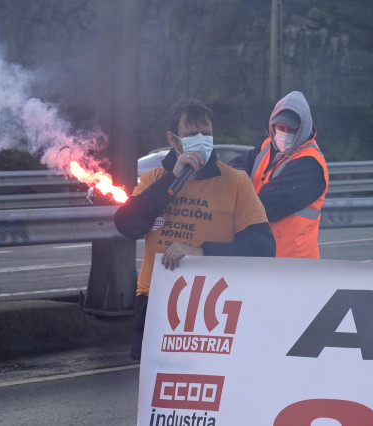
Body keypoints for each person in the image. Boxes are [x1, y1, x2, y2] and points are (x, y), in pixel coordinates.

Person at [114, 98, 275, 360]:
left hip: (216, 304)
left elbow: (263, 248)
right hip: (156, 301)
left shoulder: (235, 182)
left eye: (206, 133)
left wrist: (202, 252)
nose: (201, 139)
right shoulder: (153, 180)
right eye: (191, 134)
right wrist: (171, 179)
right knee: (158, 393)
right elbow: (127, 225)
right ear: (174, 140)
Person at [229, 91, 329, 258]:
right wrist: (240, 178)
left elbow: (266, 207)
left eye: (291, 129)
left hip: (292, 265)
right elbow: (234, 167)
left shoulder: (310, 164)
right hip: (263, 258)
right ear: (272, 125)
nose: (284, 133)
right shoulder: (268, 146)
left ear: (303, 128)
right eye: (280, 128)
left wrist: (232, 199)